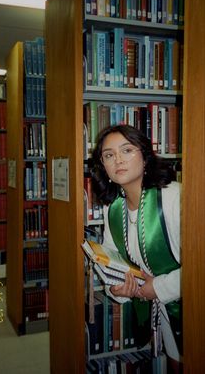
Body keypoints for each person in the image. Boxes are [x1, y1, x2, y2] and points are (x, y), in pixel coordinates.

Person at [91, 124, 182, 373]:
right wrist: (118, 289)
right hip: (163, 310)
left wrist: (157, 287)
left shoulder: (174, 198)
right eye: (109, 155)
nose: (117, 159)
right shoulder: (114, 209)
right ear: (104, 167)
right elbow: (112, 262)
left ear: (145, 157)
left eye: (127, 150)